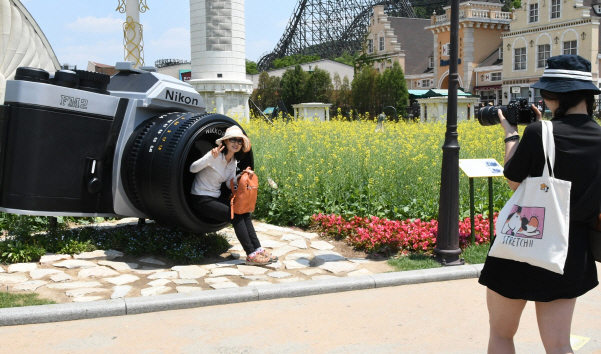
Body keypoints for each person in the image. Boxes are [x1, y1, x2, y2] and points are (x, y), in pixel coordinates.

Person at [479, 55, 601, 354]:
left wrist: (511, 134)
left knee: (502, 335)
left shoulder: (539, 132)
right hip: (570, 251)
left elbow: (513, 180)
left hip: (520, 244)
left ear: (554, 95)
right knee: (559, 345)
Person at [189, 125, 277, 265]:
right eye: (233, 140)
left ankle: (258, 249)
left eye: (239, 141)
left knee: (244, 213)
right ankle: (251, 254)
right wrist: (209, 157)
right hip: (201, 198)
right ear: (225, 141)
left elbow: (227, 184)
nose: (236, 143)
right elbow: (192, 168)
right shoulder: (214, 155)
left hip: (215, 197)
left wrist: (240, 176)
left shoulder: (233, 161)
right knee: (235, 215)